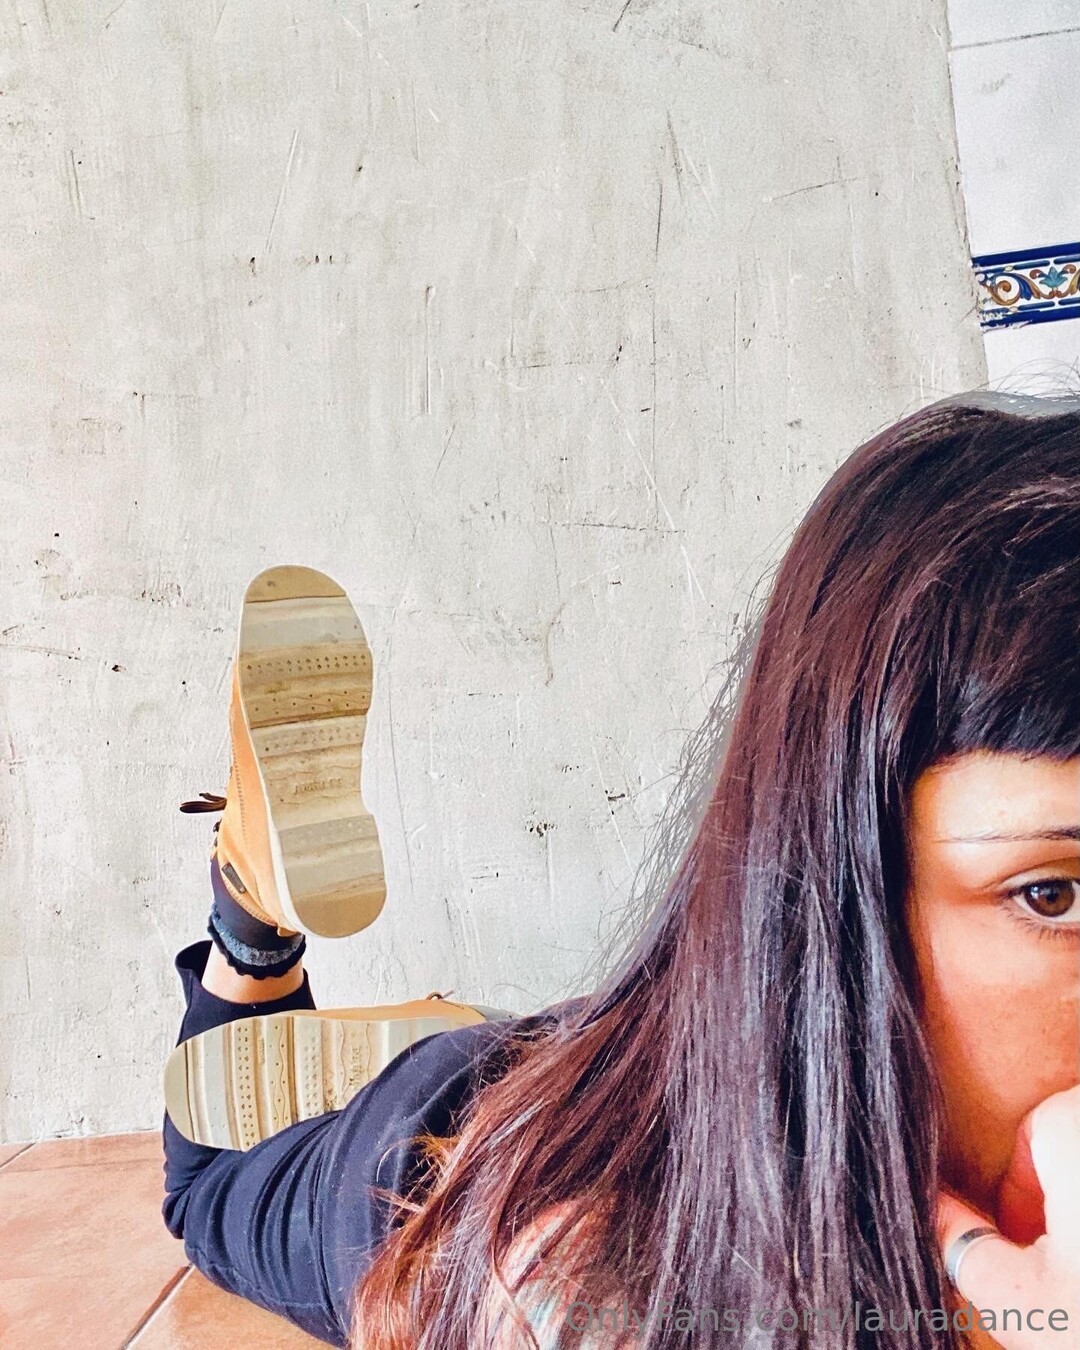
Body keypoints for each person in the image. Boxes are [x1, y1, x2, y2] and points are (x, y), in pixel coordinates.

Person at [161, 392, 1080, 1349]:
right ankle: (252, 911)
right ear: (834, 901)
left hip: (626, 1066)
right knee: (205, 1192)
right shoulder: (589, 1290)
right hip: (438, 1160)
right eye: (1054, 894)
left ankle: (305, 948)